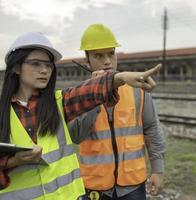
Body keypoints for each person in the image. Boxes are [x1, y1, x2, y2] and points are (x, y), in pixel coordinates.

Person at [0, 32, 161, 200]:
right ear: (16, 67)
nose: (44, 70)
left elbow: (89, 91)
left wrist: (120, 78)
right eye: (35, 64)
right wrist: (14, 161)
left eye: (48, 65)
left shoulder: (60, 102)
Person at [69, 24, 166, 200]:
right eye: (98, 55)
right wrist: (94, 94)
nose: (106, 61)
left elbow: (152, 130)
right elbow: (76, 135)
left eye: (111, 54)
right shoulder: (79, 95)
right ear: (87, 61)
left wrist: (158, 170)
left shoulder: (138, 90)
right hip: (94, 187)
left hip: (132, 186)